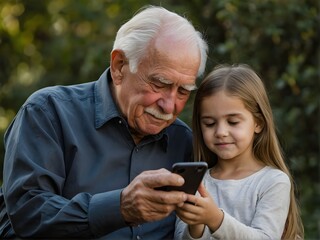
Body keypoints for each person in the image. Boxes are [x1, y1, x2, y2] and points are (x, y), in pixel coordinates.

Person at [0, 5, 208, 239]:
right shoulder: (49, 112)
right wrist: (119, 207)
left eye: (183, 91)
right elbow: (27, 215)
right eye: (159, 84)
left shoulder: (186, 141)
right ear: (119, 66)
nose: (169, 106)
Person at [174, 64, 304, 239]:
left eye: (233, 122)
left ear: (258, 123)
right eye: (210, 123)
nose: (221, 132)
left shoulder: (273, 182)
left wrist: (215, 219)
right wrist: (196, 225)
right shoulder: (196, 180)